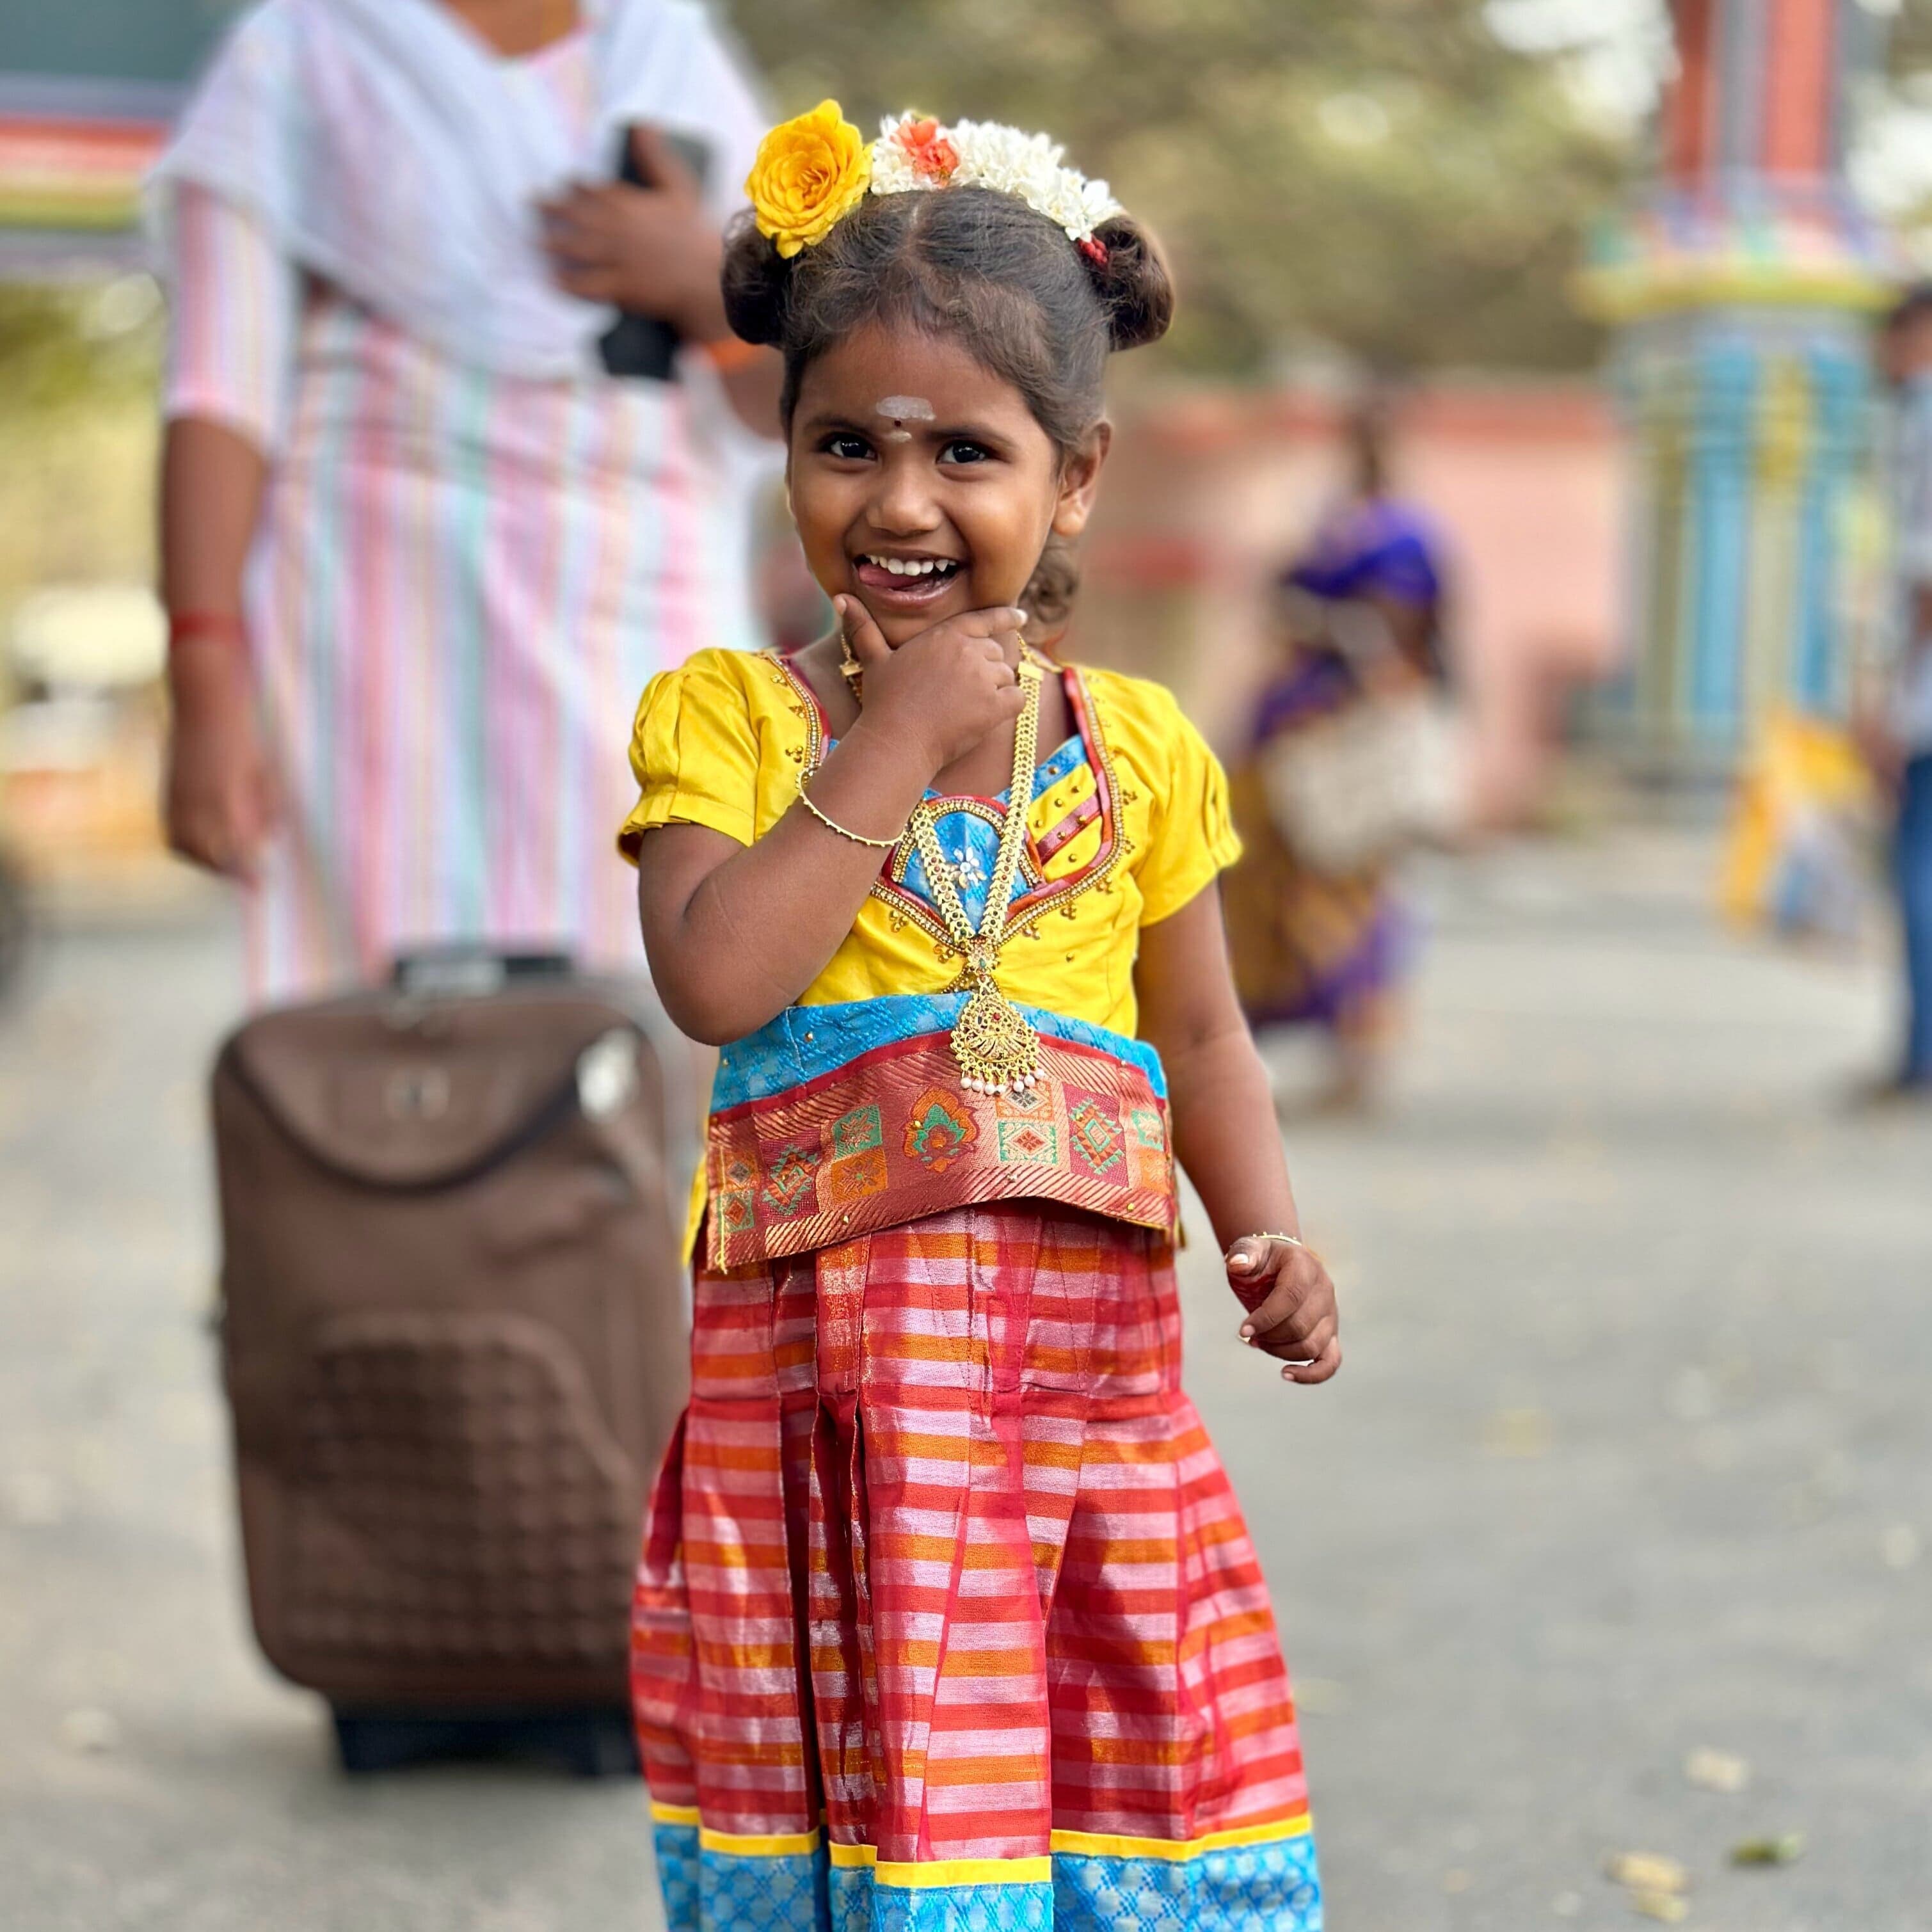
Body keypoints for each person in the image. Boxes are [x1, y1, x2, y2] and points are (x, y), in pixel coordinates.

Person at [616, 103, 1336, 1932]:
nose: (904, 500)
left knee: (1095, 1757)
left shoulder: (1142, 750)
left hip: (1079, 1405)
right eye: (845, 441)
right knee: (885, 1777)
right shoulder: (737, 721)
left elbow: (1205, 1035)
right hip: (836, 1416)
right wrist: (894, 739)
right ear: (781, 453)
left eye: (968, 450)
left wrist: (1262, 1224)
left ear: (1074, 476)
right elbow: (715, 980)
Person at [150, 0, 777, 999]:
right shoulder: (305, 51)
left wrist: (707, 284)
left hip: (647, 617)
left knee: (672, 984)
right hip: (376, 634)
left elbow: (795, 403)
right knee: (386, 1038)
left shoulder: (669, 55)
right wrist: (203, 680)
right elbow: (218, 393)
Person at [1222, 404, 1450, 1112]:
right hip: (1295, 734)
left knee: (1343, 891)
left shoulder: (1386, 535)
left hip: (1340, 738)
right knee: (1269, 888)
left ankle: (1359, 1051)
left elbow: (1409, 635)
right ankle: (1255, 1051)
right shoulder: (1338, 522)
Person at [1860, 283, 1932, 1102]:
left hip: (1926, 698)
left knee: (1916, 867)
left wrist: (1889, 699)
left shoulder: (1918, 420)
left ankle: (1920, 1049)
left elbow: (1922, 574)